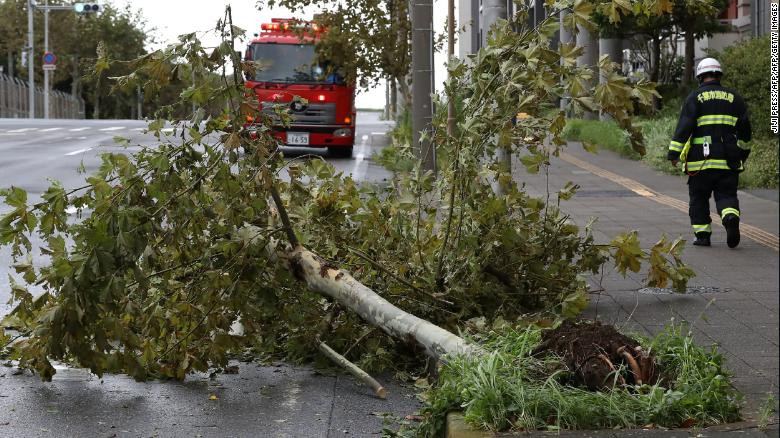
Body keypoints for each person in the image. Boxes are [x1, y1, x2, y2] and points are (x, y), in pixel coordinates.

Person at [667, 57, 752, 248]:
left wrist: (674, 153)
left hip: (701, 161)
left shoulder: (695, 97)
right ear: (718, 75)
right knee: (727, 195)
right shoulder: (735, 98)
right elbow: (745, 131)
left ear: (700, 76)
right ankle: (730, 216)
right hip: (728, 160)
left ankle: (703, 236)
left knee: (699, 199)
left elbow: (684, 127)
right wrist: (743, 154)